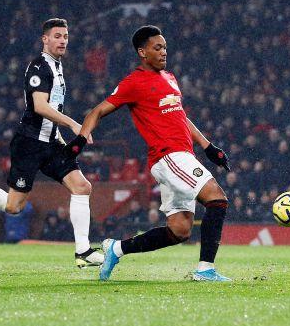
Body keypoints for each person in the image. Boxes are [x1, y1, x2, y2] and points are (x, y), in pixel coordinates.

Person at [65, 25, 232, 282]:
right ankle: (205, 269)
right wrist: (79, 141)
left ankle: (116, 249)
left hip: (183, 155)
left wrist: (209, 147)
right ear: (142, 52)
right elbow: (97, 111)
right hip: (169, 156)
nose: (164, 52)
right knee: (217, 199)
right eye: (157, 47)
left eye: (165, 47)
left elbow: (181, 117)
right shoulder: (133, 83)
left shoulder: (170, 78)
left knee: (179, 231)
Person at [0, 18, 103, 267]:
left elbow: (51, 108)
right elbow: (40, 106)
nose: (62, 40)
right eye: (57, 36)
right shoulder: (38, 66)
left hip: (50, 142)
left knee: (82, 186)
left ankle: (83, 252)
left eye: (65, 36)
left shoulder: (58, 67)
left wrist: (58, 134)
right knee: (14, 207)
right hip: (30, 144)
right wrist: (73, 124)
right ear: (44, 39)